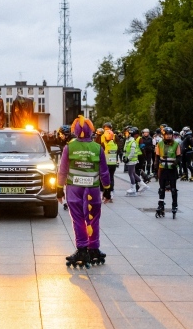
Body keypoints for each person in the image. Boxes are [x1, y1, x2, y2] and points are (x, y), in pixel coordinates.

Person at [56, 115, 111, 268]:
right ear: (91, 130)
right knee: (93, 219)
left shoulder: (69, 147)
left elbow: (63, 170)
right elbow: (104, 172)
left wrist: (59, 189)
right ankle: (93, 248)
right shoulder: (97, 148)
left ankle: (82, 249)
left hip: (74, 189)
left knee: (78, 219)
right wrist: (107, 190)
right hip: (92, 190)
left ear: (75, 130)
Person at [153, 127, 181, 218]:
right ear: (163, 135)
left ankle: (174, 204)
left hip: (172, 169)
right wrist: (156, 165)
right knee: (161, 188)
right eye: (167, 134)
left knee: (173, 188)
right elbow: (157, 156)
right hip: (162, 169)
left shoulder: (176, 144)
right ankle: (161, 204)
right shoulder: (159, 144)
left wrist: (176, 163)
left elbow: (179, 156)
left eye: (170, 134)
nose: (169, 136)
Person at [123, 127, 149, 196]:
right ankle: (143, 185)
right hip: (130, 159)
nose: (125, 134)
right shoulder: (128, 140)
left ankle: (133, 188)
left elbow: (132, 152)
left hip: (132, 160)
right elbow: (126, 150)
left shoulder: (133, 141)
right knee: (133, 173)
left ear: (131, 134)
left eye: (127, 133)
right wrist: (124, 157)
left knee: (131, 173)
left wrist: (128, 158)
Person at [101, 129, 118, 203]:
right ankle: (111, 193)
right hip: (113, 164)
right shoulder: (115, 144)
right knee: (111, 178)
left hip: (106, 164)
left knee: (104, 179)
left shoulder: (105, 144)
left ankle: (104, 193)